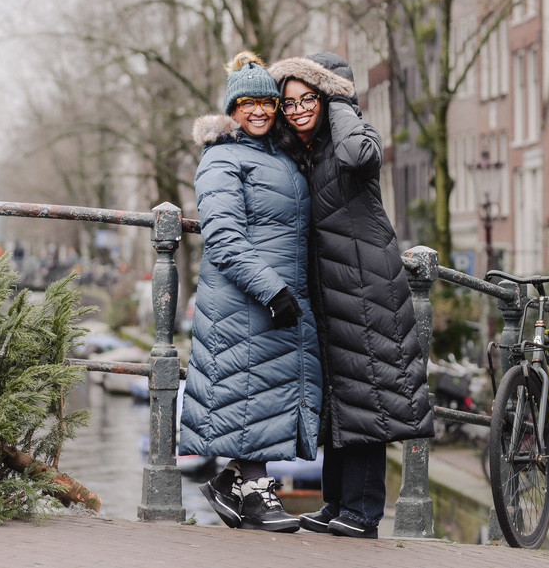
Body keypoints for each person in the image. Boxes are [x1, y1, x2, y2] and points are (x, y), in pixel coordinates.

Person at [269, 52, 435, 540]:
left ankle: (363, 513)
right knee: (340, 398)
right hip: (330, 289)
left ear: (327, 97)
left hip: (366, 287)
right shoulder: (310, 149)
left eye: (308, 99)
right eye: (288, 102)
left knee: (369, 399)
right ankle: (336, 502)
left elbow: (361, 157)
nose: (297, 109)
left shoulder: (352, 135)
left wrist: (341, 100)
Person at [180, 51, 322, 533]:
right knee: (250, 392)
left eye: (267, 102)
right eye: (248, 104)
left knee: (264, 392)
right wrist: (272, 291)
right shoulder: (221, 158)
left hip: (278, 294)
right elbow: (223, 236)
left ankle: (234, 485)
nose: (259, 111)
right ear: (231, 109)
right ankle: (256, 495)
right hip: (247, 298)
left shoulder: (278, 154)